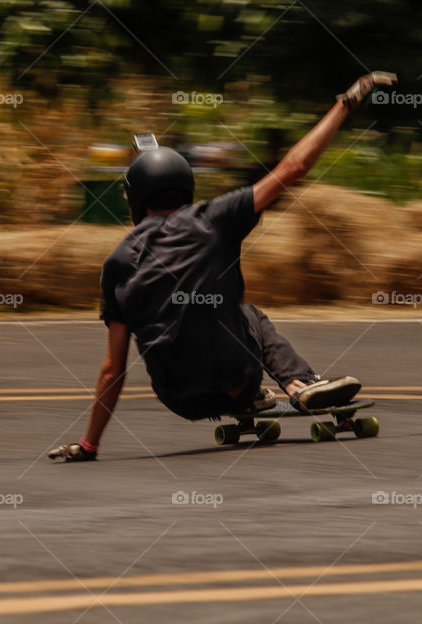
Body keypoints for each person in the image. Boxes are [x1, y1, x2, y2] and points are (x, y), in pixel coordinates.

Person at [48, 71, 398, 462]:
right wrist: (345, 103)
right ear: (186, 187)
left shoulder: (116, 262)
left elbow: (113, 369)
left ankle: (260, 396)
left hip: (180, 399)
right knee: (249, 315)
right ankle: (301, 385)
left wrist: (90, 444)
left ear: (135, 200)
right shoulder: (214, 218)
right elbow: (292, 169)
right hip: (237, 380)